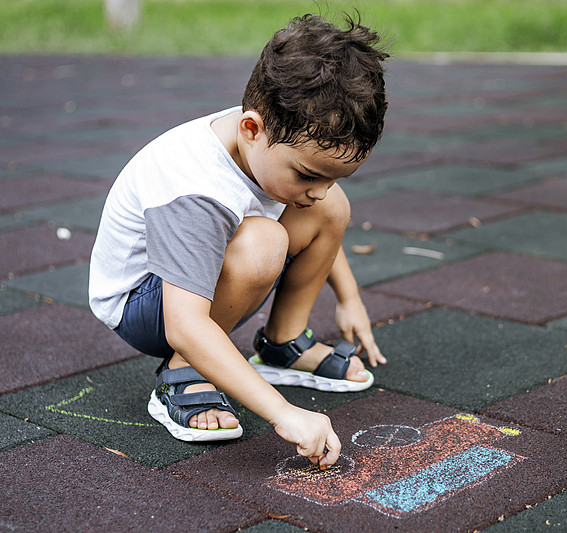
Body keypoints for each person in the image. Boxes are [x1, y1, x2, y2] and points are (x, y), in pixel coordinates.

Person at [88, 13, 389, 469]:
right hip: (145, 303)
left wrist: (348, 296)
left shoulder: (264, 146)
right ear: (252, 128)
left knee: (331, 208)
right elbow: (183, 324)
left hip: (200, 280)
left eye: (335, 175)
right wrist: (283, 413)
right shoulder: (197, 190)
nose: (318, 188)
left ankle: (284, 342)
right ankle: (180, 371)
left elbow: (321, 202)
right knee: (263, 242)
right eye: (308, 174)